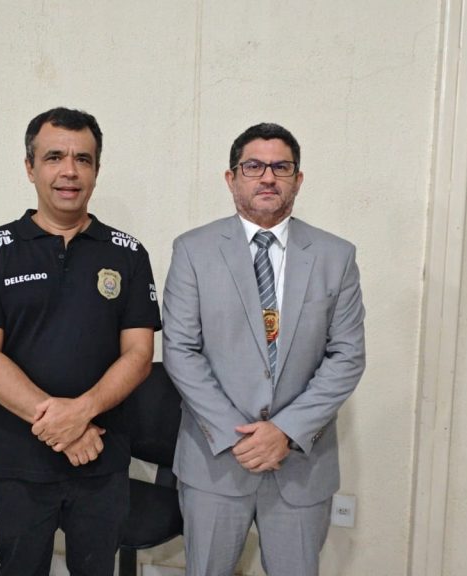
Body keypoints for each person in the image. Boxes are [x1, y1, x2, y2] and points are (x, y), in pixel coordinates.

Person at [0, 107, 161, 576]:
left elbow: (139, 354)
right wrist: (62, 426)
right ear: (30, 168)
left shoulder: (128, 254)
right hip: (19, 457)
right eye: (54, 157)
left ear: (96, 170)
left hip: (100, 453)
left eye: (83, 159)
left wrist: (82, 414)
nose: (69, 171)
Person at [162, 122, 366, 575]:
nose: (268, 177)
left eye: (281, 167)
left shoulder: (336, 256)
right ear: (231, 178)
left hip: (300, 463)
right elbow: (180, 350)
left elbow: (347, 356)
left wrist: (285, 431)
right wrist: (238, 436)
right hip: (216, 460)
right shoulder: (193, 250)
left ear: (298, 178)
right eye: (253, 166)